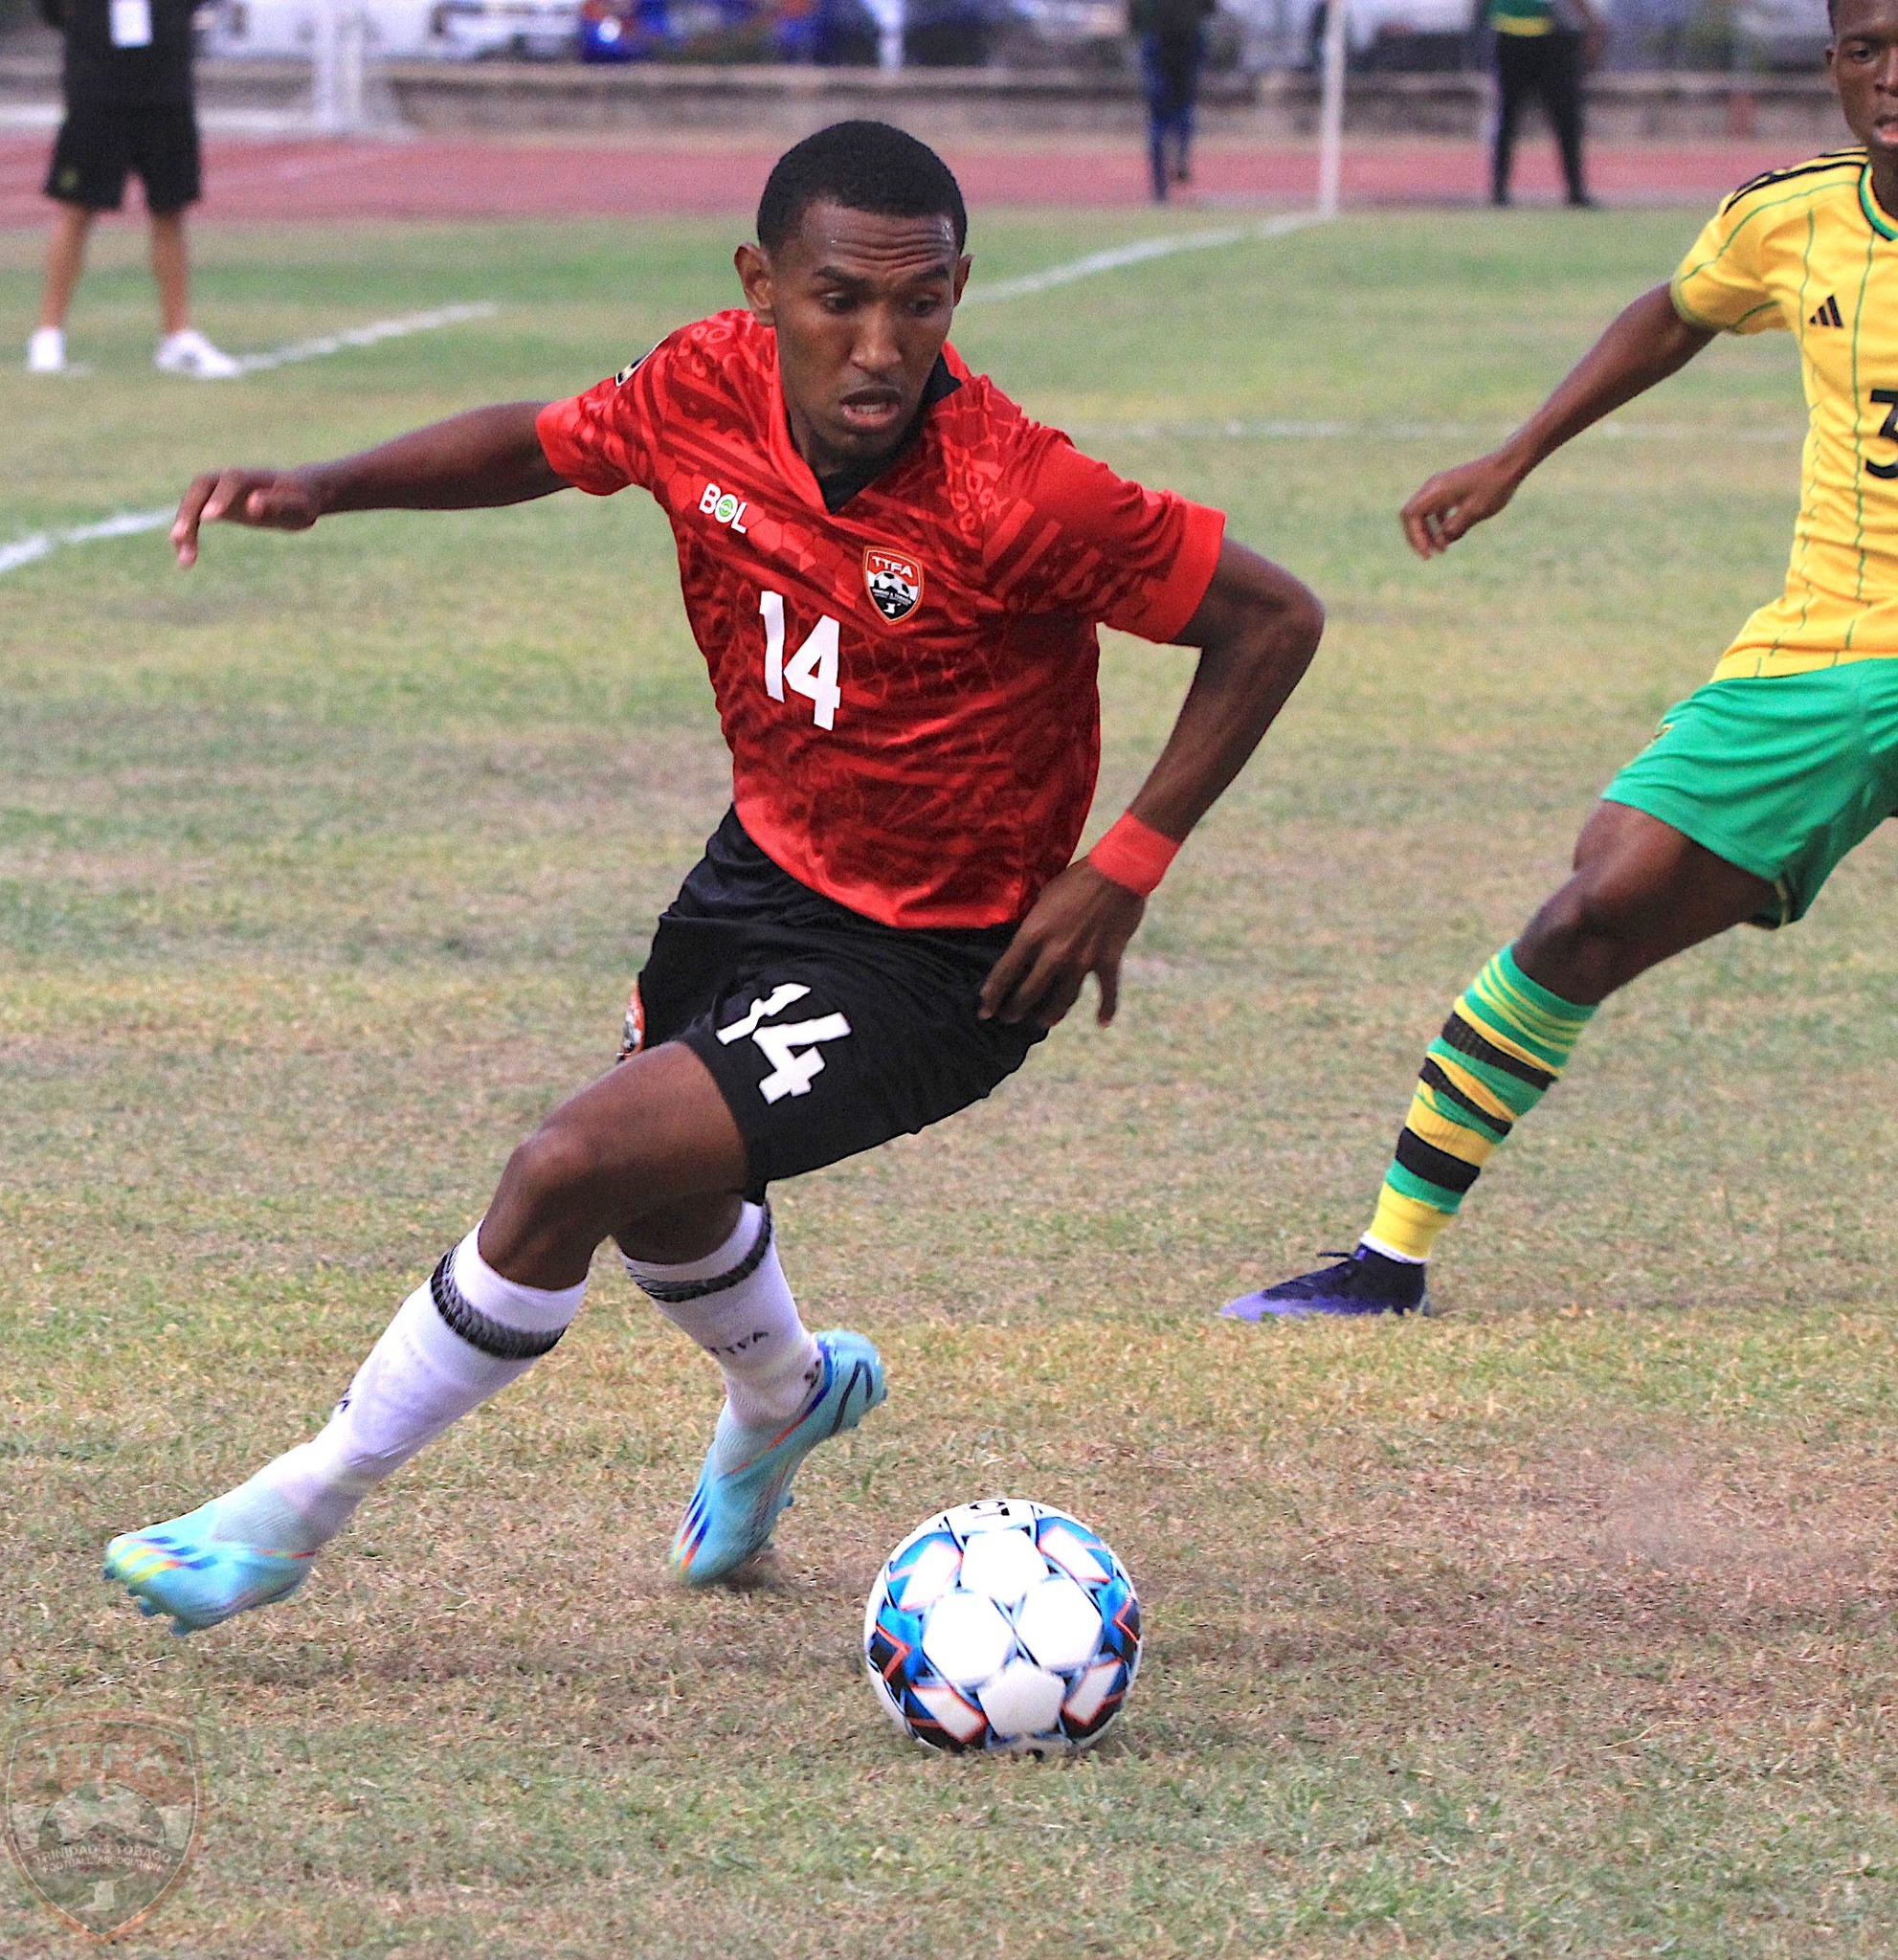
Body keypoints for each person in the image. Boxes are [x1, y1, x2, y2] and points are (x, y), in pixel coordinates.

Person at [102, 121, 1325, 1634]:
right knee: (662, 1200)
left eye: (922, 303)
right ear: (760, 284)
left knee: (568, 1165)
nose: (880, 346)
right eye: (837, 301)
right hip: (760, 875)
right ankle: (786, 1397)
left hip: (939, 960)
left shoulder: (1022, 494)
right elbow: (544, 444)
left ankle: (295, 1504)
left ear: (957, 293)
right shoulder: (700, 389)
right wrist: (327, 486)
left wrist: (1124, 865)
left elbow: (1272, 620)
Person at [1226, 0, 1898, 1322]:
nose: (1888, 75)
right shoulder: (1788, 220)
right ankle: (1386, 1259)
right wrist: (1515, 454)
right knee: (1596, 899)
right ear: (1829, 62)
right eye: (1864, 45)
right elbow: (1674, 310)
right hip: (1831, 652)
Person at [28, 0, 237, 376]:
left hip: (164, 85)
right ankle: (48, 334)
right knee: (76, 209)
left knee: (170, 209)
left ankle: (177, 335)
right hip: (98, 85)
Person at [1486, 0, 1605, 210]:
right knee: (1515, 117)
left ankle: (1500, 191)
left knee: (1515, 117)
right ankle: (1574, 192)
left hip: (1531, 33)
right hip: (1537, 34)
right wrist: (1592, 23)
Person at [1132, 0, 1217, 202]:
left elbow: (1134, 15)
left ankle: (1160, 191)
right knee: (1183, 110)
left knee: (1159, 119)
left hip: (1158, 43)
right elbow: (1210, 10)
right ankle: (1182, 154)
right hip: (1187, 42)